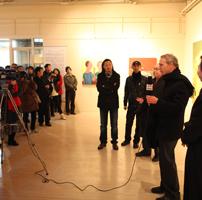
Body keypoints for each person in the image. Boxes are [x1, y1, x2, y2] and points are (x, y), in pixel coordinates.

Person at [146, 54, 194, 200]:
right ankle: (165, 186)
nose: (158, 67)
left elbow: (177, 108)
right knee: (164, 160)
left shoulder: (180, 83)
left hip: (170, 129)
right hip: (162, 126)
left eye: (161, 64)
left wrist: (157, 102)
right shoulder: (167, 80)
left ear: (171, 65)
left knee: (168, 161)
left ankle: (173, 194)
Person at [181, 57, 202, 200]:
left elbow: (198, 121)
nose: (197, 71)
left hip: (199, 146)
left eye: (199, 68)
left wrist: (186, 135)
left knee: (196, 180)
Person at [121, 61, 147, 149]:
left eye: (137, 65)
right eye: (134, 66)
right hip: (131, 105)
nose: (136, 67)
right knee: (128, 123)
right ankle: (127, 139)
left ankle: (136, 141)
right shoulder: (128, 79)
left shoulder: (145, 79)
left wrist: (143, 99)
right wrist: (125, 103)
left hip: (140, 106)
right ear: (132, 67)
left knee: (139, 124)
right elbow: (126, 92)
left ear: (140, 67)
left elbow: (146, 92)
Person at [96, 59, 120, 150]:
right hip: (103, 104)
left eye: (109, 64)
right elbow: (99, 88)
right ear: (103, 66)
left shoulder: (117, 76)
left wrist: (105, 87)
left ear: (112, 65)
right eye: (106, 65)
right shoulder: (100, 76)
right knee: (103, 125)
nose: (108, 66)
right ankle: (103, 142)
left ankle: (114, 142)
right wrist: (110, 88)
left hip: (114, 104)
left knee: (114, 125)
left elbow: (116, 87)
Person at [7, 76, 22, 146]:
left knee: (16, 123)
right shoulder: (9, 87)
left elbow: (18, 93)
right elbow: (12, 95)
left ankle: (12, 139)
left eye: (15, 80)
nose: (14, 82)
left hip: (17, 105)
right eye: (13, 80)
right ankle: (10, 140)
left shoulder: (17, 86)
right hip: (11, 108)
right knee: (12, 123)